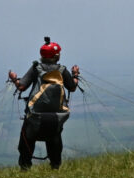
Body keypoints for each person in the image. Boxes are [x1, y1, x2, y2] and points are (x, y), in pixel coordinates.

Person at [7, 37, 80, 170]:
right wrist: (75, 75)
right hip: (57, 116)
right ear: (56, 56)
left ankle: (25, 168)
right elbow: (73, 87)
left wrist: (13, 78)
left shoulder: (36, 68)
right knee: (54, 138)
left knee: (27, 139)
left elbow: (22, 86)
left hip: (35, 115)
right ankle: (55, 167)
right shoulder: (62, 70)